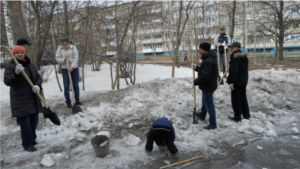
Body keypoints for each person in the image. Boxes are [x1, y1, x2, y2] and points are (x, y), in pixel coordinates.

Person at [4, 46, 42, 152]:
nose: (20, 54)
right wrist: (15, 73)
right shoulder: (11, 66)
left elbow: (38, 77)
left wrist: (37, 85)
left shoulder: (29, 64)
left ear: (25, 53)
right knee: (25, 123)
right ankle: (27, 144)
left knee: (34, 121)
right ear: (13, 54)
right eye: (17, 53)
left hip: (32, 97)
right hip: (20, 99)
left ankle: (33, 140)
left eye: (22, 52)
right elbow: (7, 81)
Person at [192, 42, 218, 130]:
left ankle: (213, 123)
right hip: (207, 85)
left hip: (208, 85)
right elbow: (205, 71)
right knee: (204, 101)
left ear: (205, 50)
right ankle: (202, 115)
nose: (199, 50)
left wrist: (196, 82)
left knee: (209, 104)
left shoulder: (208, 61)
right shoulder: (208, 59)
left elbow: (205, 76)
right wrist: (197, 68)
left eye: (200, 49)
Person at [55, 36, 82, 108]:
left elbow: (76, 57)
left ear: (67, 41)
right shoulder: (60, 48)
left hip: (74, 68)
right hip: (65, 69)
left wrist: (72, 67)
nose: (62, 43)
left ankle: (77, 100)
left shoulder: (73, 47)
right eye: (61, 42)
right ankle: (68, 102)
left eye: (63, 42)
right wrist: (63, 59)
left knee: (75, 85)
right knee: (66, 86)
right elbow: (57, 58)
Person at [227, 42, 250, 122]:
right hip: (243, 80)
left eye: (232, 47)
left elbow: (234, 71)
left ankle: (237, 116)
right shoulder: (244, 56)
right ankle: (246, 115)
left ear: (236, 47)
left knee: (236, 99)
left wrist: (232, 82)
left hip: (237, 82)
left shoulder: (235, 57)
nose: (231, 49)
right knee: (243, 98)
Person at [15, 38, 32, 125]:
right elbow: (8, 80)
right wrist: (16, 73)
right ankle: (19, 118)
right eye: (26, 45)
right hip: (20, 91)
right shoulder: (14, 60)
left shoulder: (27, 59)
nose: (27, 47)